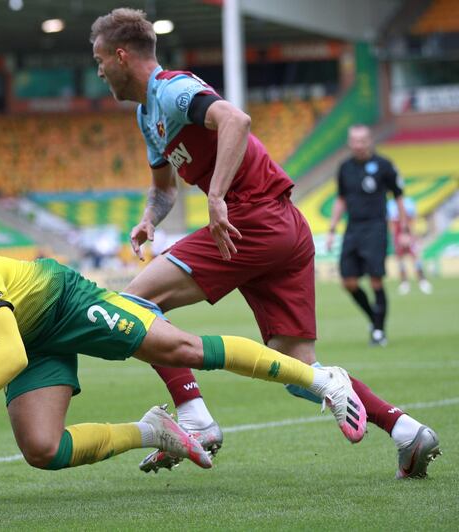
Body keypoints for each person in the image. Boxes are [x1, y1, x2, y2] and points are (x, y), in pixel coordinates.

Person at [90, 8, 440, 478]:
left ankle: (194, 419)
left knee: (130, 306)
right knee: (298, 373)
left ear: (121, 54)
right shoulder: (145, 114)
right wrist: (149, 219)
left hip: (251, 217)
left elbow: (236, 120)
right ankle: (406, 431)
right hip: (282, 227)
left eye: (99, 60)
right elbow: (165, 188)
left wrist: (215, 197)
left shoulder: (172, 90)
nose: (97, 71)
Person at [0, 241, 366, 473]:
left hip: (65, 302)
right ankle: (152, 432)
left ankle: (321, 379)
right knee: (43, 450)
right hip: (33, 340)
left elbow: (8, 353)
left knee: (182, 347)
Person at [327, 125, 409, 346]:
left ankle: (379, 332)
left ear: (370, 141)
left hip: (376, 228)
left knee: (375, 280)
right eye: (354, 140)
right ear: (350, 142)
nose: (358, 144)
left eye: (362, 140)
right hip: (352, 228)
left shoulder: (384, 165)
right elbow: (341, 199)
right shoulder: (344, 167)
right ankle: (374, 319)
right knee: (349, 282)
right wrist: (332, 229)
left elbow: (399, 197)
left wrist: (404, 231)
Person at [387, 196, 432, 295]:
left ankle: (422, 281)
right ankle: (404, 283)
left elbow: (413, 220)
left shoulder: (408, 202)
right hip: (397, 236)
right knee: (399, 258)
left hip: (409, 234)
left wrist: (410, 235)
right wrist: (396, 237)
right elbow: (390, 223)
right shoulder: (390, 204)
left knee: (415, 257)